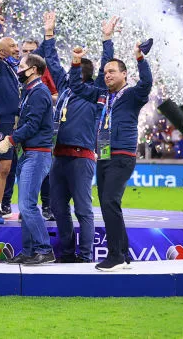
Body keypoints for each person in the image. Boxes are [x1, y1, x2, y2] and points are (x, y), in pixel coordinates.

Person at [68, 25, 153, 272]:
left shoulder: (134, 94)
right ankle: (124, 255)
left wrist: (140, 57)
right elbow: (76, 87)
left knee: (109, 201)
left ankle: (115, 255)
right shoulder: (102, 95)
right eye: (105, 72)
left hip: (122, 155)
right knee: (109, 203)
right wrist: (75, 62)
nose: (107, 75)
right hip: (103, 154)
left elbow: (147, 81)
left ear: (124, 74)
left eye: (112, 71)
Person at [48, 27, 109, 263]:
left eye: (73, 68)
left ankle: (84, 256)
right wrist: (48, 36)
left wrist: (106, 41)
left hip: (81, 158)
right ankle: (67, 253)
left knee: (83, 210)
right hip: (59, 156)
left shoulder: (95, 92)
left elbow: (105, 69)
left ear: (82, 75)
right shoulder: (65, 90)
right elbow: (52, 64)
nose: (68, 72)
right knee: (58, 208)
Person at [0, 53, 56, 265]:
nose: (19, 69)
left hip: (37, 153)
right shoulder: (30, 91)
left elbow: (33, 125)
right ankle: (29, 251)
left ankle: (44, 249)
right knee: (25, 206)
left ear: (34, 70)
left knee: (27, 205)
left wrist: (10, 140)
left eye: (22, 66)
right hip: (29, 152)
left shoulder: (39, 92)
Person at [0, 15, 22, 222]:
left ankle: (13, 206)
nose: (17, 48)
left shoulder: (15, 70)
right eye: (13, 45)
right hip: (6, 123)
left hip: (20, 124)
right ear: (2, 52)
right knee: (5, 167)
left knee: (17, 167)